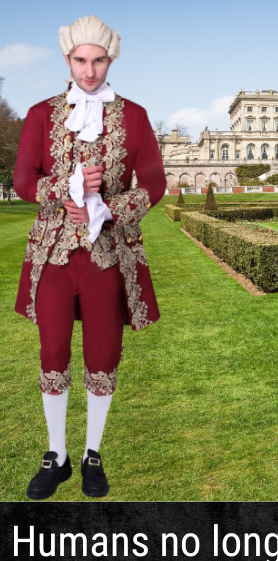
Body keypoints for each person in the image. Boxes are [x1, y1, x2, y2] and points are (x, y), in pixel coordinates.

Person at [13, 15, 165, 499]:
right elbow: (22, 180)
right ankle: (56, 453)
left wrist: (108, 207)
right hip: (55, 254)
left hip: (109, 254)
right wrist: (67, 189)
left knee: (103, 354)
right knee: (52, 352)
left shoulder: (135, 116)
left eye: (98, 60)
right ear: (67, 61)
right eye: (81, 60)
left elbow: (155, 183)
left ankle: (91, 453)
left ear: (110, 59)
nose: (90, 70)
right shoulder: (40, 114)